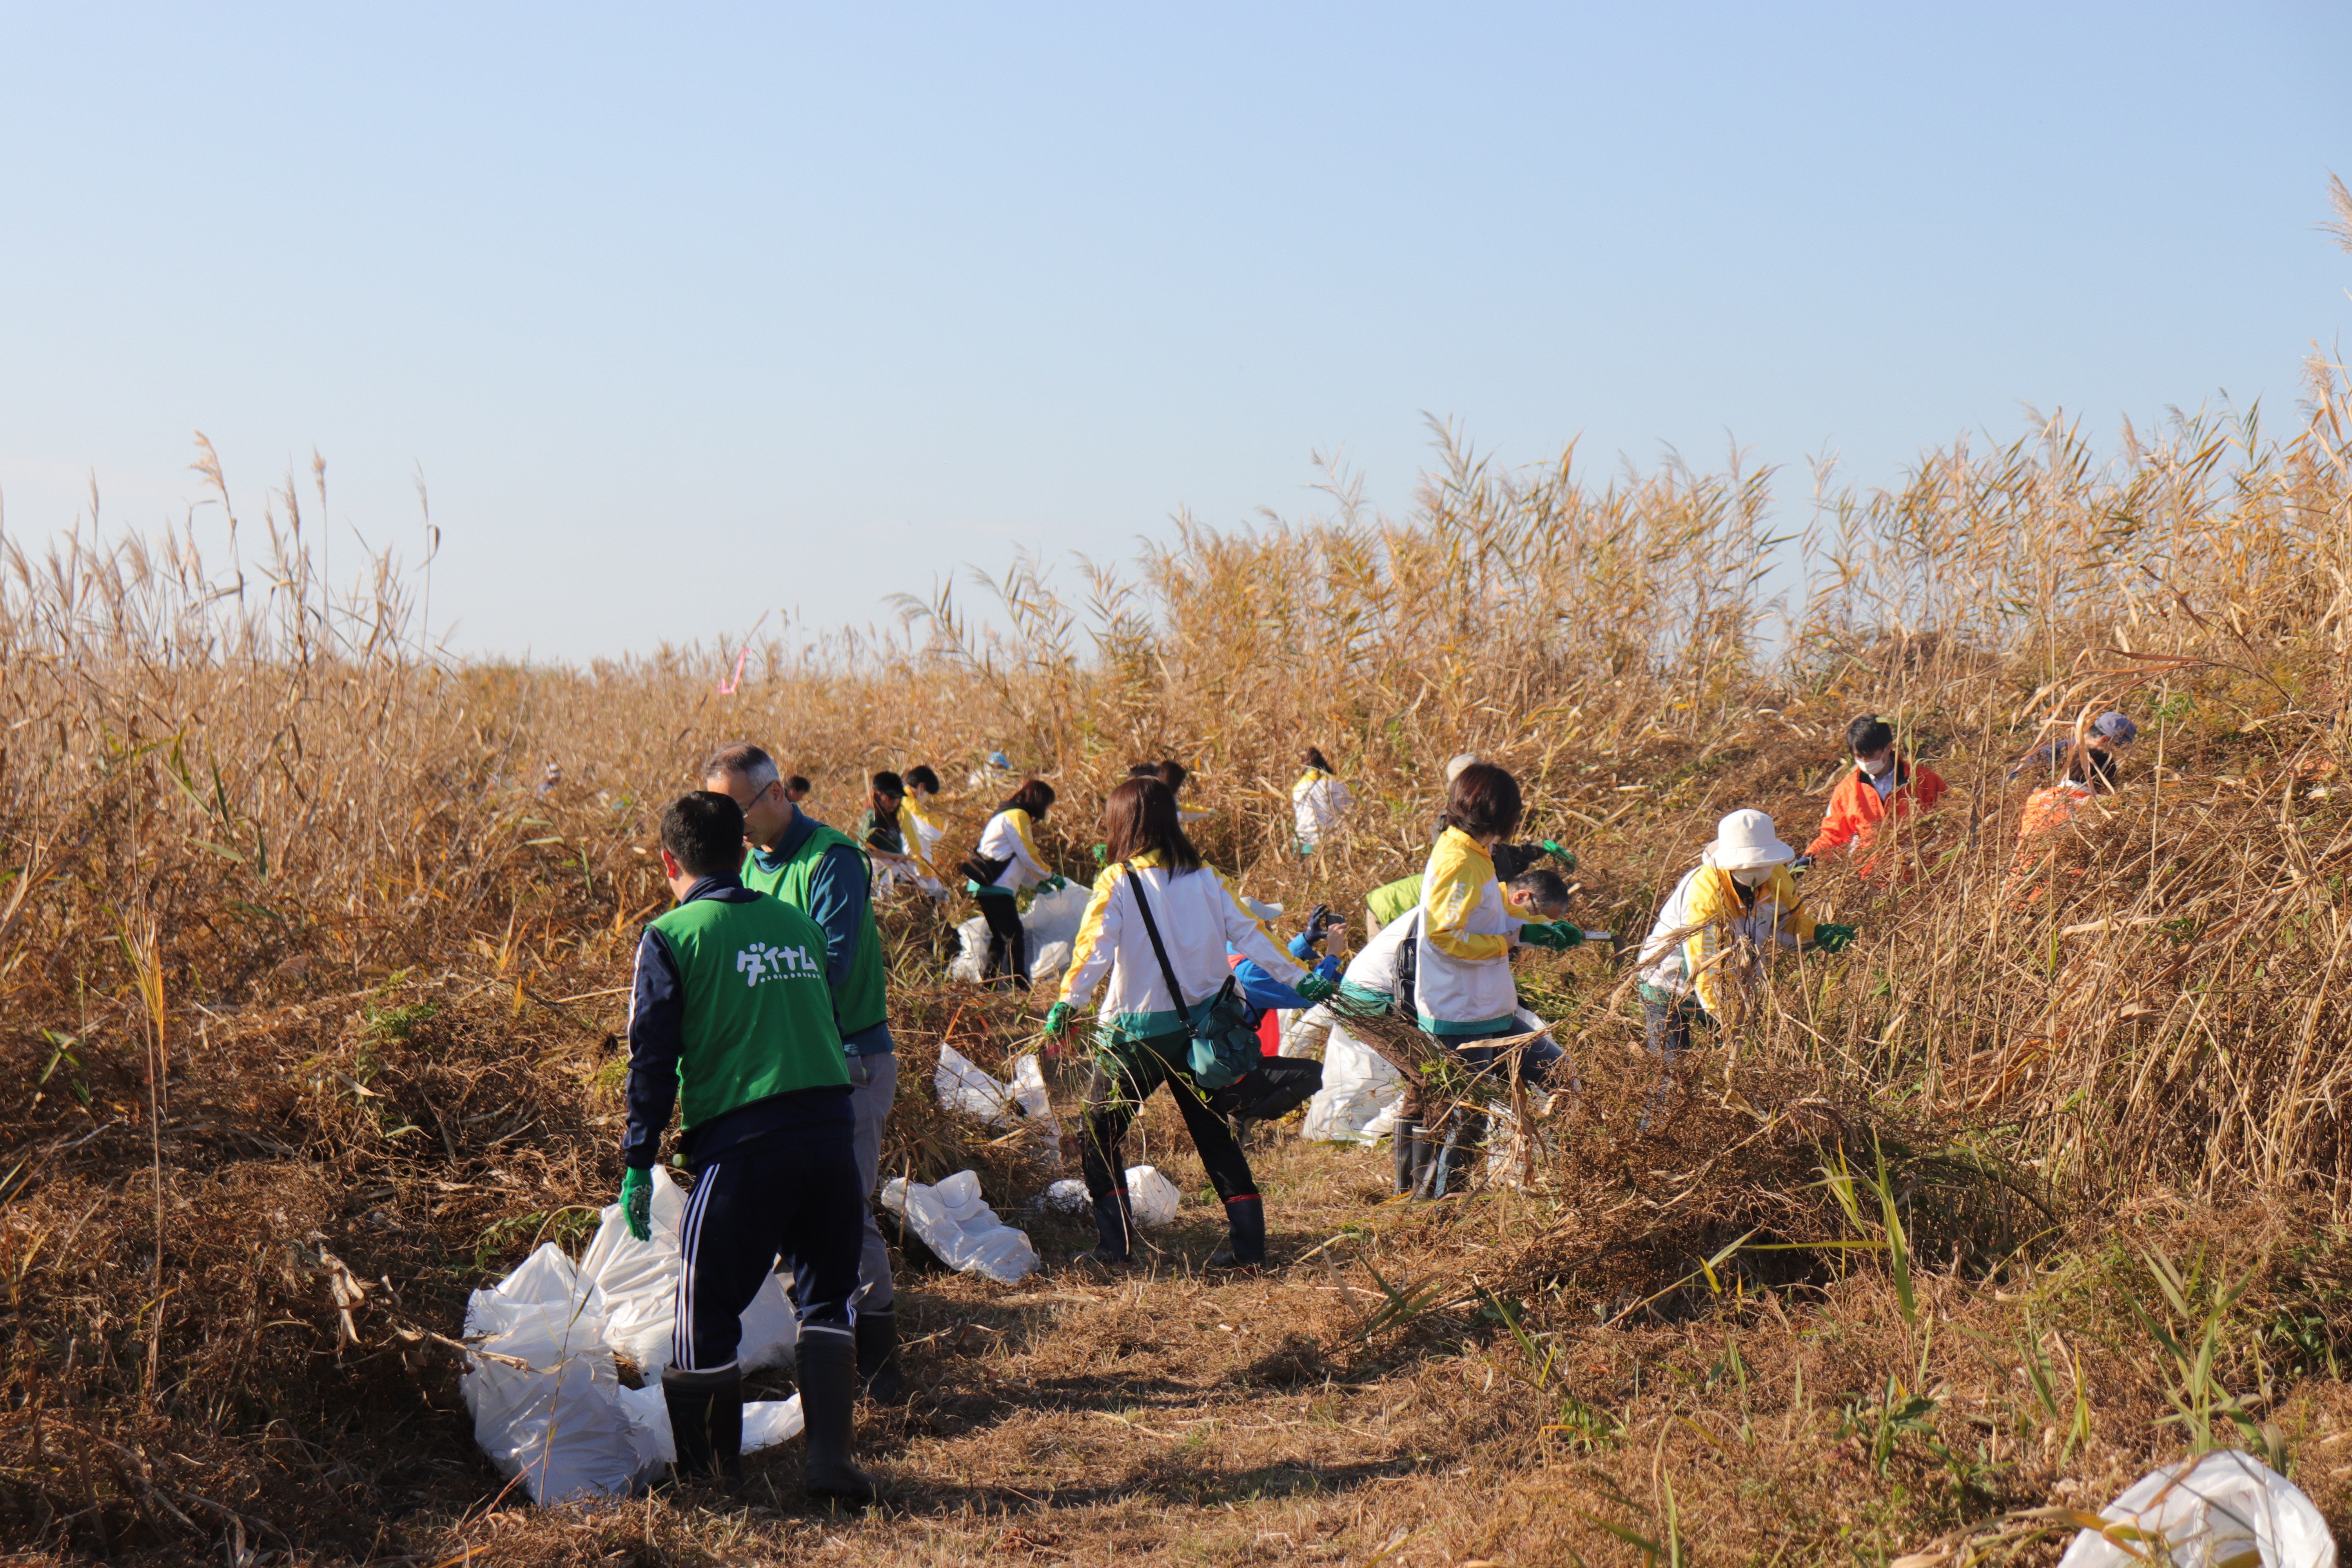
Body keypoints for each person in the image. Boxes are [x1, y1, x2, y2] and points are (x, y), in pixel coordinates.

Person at [618, 791, 876, 1501]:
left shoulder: (672, 935)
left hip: (744, 1149)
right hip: (828, 1138)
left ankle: (710, 1483)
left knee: (702, 1319)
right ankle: (830, 1466)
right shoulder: (794, 922)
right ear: (743, 853)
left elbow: (650, 1057)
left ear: (669, 861)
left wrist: (639, 1160)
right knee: (826, 1305)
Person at [1042, 777, 1336, 1270]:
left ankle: (1115, 1249)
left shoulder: (1118, 880)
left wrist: (1068, 1005)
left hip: (1135, 1039)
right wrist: (1300, 978)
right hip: (1204, 1036)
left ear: (1124, 824)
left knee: (1098, 1132)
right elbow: (1254, 935)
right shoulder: (1206, 877)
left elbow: (1092, 951)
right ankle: (1250, 1251)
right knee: (1214, 1136)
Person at [702, 744, 905, 1405]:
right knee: (800, 1218)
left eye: (736, 809)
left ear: (777, 795)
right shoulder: (747, 870)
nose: (730, 826)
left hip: (848, 1058)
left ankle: (879, 1367)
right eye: (718, 813)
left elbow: (832, 965)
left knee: (847, 1212)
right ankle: (829, 1356)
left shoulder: (832, 860)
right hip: (787, 1065)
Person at [1332, 865, 1576, 1198]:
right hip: (1377, 998)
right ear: (1521, 897)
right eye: (1540, 919)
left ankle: (1418, 1192)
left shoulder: (1495, 909)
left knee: (1438, 1085)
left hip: (1433, 999)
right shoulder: (1473, 905)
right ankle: (1428, 1197)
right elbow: (1453, 951)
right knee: (1438, 1084)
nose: (1540, 929)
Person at [1638, 809, 1857, 1060]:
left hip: (1729, 986)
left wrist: (1817, 933)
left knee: (1727, 1068)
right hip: (1668, 985)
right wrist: (1732, 1019)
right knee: (1672, 1074)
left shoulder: (1778, 879)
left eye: (1762, 862)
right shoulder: (1706, 896)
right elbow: (1706, 966)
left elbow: (1786, 925)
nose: (1757, 870)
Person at [1793, 715, 1947, 879]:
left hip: (1921, 877)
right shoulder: (1846, 791)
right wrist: (1808, 860)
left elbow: (1949, 824)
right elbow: (1833, 836)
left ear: (1888, 749)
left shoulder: (1925, 780)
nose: (1865, 762)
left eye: (1870, 755)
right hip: (1872, 879)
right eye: (1859, 756)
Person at [965, 777, 1063, 989]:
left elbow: (1016, 862)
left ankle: (989, 984)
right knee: (1015, 934)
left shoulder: (1007, 814)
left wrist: (1037, 884)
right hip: (996, 887)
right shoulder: (1018, 815)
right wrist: (1049, 876)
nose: (1046, 810)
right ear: (1038, 800)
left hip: (988, 886)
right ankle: (1021, 983)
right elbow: (1028, 855)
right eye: (1046, 804)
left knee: (1001, 938)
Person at [2009, 744, 2119, 899]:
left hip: (2019, 889)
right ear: (2105, 780)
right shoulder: (2099, 809)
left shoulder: (2036, 799)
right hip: (2065, 894)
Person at [2009, 710, 2138, 781]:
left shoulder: (2085, 759)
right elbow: (2013, 781)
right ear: (2104, 741)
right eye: (2116, 749)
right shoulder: (2051, 754)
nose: (2113, 756)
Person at [858, 771, 925, 888]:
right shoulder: (872, 818)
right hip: (879, 873)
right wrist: (898, 857)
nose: (895, 803)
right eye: (890, 798)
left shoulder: (891, 817)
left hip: (895, 869)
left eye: (898, 798)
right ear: (877, 795)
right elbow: (867, 852)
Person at [896, 765, 951, 897]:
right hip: (910, 872)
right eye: (928, 793)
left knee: (938, 893)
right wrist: (936, 818)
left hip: (912, 870)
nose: (927, 798)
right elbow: (935, 832)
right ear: (921, 787)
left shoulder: (900, 799)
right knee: (937, 896)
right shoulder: (908, 803)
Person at [1292, 747, 1353, 853]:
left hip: (1303, 844)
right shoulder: (1337, 783)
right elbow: (1350, 809)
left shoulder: (1298, 788)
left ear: (1303, 766)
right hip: (1332, 842)